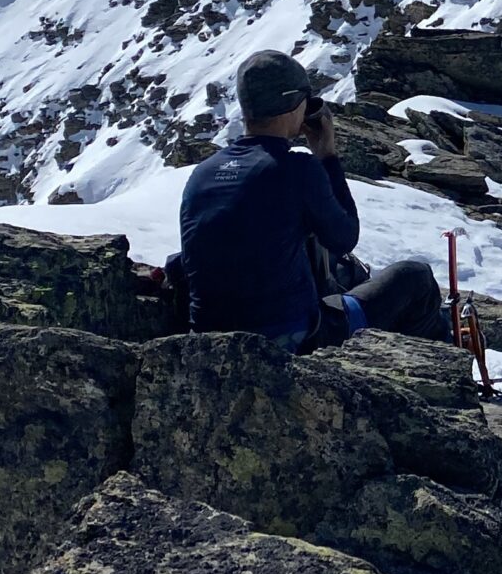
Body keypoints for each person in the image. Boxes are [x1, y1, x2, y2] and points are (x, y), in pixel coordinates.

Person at [177, 49, 446, 352]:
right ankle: (434, 370)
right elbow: (344, 237)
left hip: (209, 338)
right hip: (290, 338)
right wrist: (327, 156)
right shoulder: (296, 168)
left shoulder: (203, 173)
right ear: (294, 102)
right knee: (414, 276)